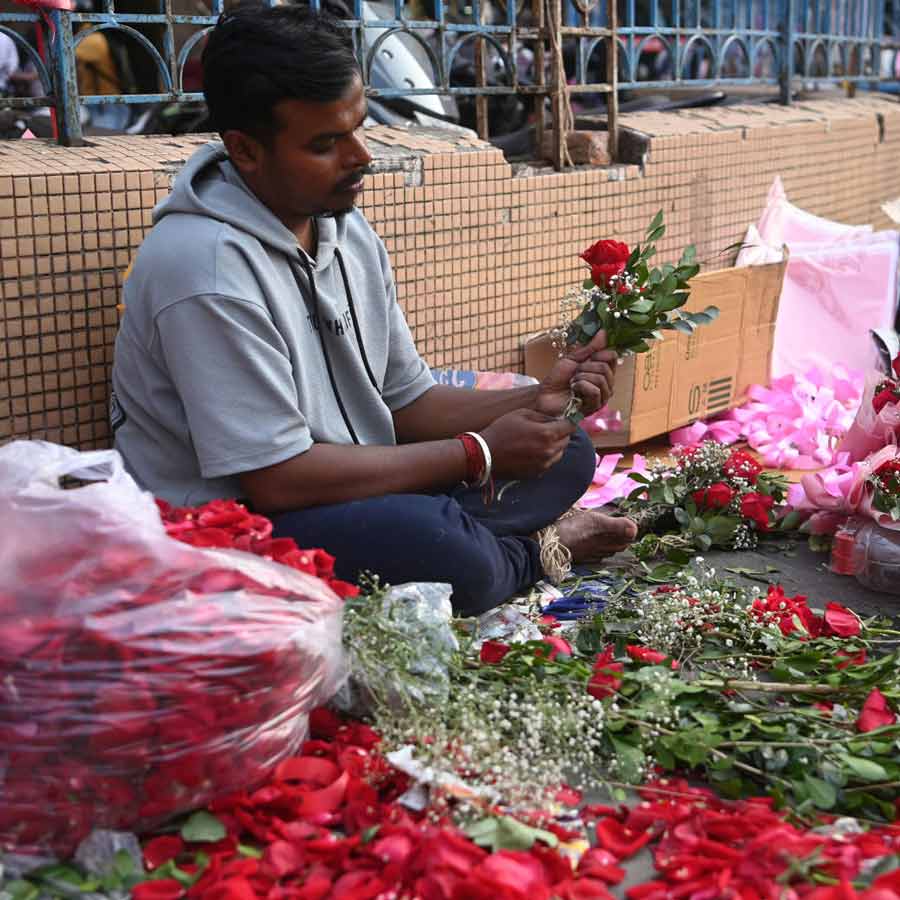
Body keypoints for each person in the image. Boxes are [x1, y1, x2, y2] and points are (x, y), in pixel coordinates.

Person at [110, 3, 637, 615]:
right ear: (246, 150)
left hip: (357, 484)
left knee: (566, 449)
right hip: (241, 525)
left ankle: (472, 540)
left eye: (357, 127)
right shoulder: (205, 272)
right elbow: (275, 479)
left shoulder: (343, 227)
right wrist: (480, 453)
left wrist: (537, 399)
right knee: (437, 546)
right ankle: (536, 550)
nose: (361, 156)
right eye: (326, 143)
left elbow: (407, 402)